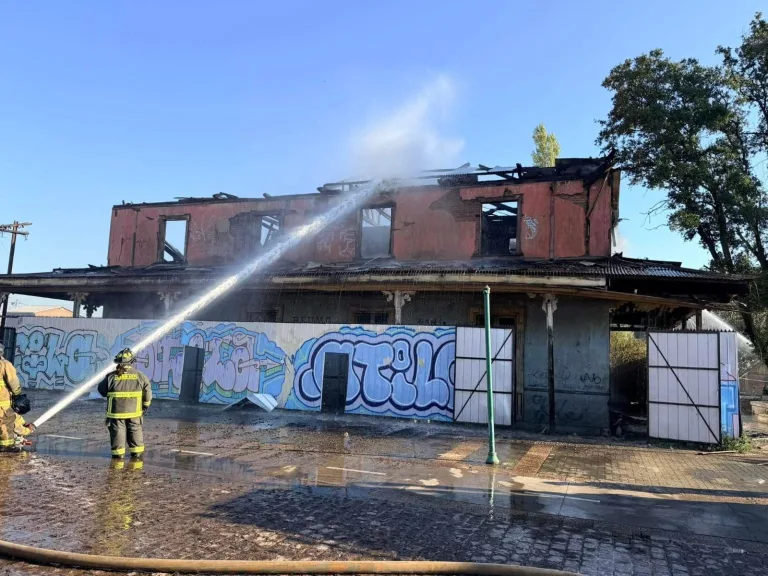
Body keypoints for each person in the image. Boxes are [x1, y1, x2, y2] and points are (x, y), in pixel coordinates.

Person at [97, 348, 152, 460]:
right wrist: (145, 405)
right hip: (134, 412)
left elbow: (101, 390)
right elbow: (148, 394)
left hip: (116, 413)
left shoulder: (111, 376)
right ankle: (136, 454)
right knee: (135, 430)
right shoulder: (141, 376)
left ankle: (118, 455)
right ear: (132, 361)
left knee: (118, 432)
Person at [0, 348, 22, 453]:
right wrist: (18, 394)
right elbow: (13, 381)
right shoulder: (4, 364)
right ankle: (7, 446)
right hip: (2, 402)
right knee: (6, 422)